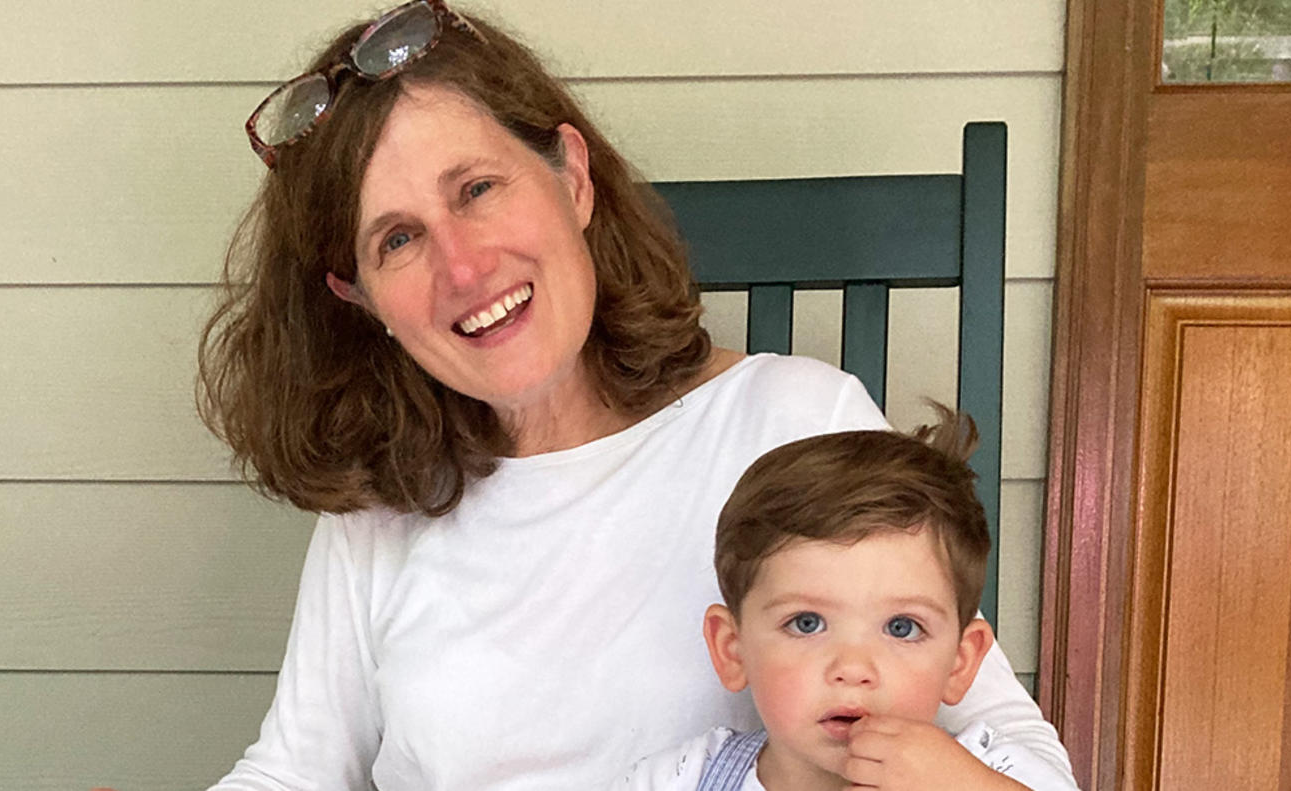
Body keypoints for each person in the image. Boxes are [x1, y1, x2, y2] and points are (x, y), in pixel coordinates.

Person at [197, 2, 1076, 788]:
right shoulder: (383, 498)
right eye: (397, 240)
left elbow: (1014, 757)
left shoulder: (793, 425)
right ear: (359, 298)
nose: (463, 268)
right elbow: (294, 769)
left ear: (571, 177)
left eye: (477, 189)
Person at [614, 413, 1077, 791]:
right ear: (732, 649)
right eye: (807, 623)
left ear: (960, 662)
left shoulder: (990, 772)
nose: (853, 667)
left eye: (902, 627)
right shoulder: (682, 779)